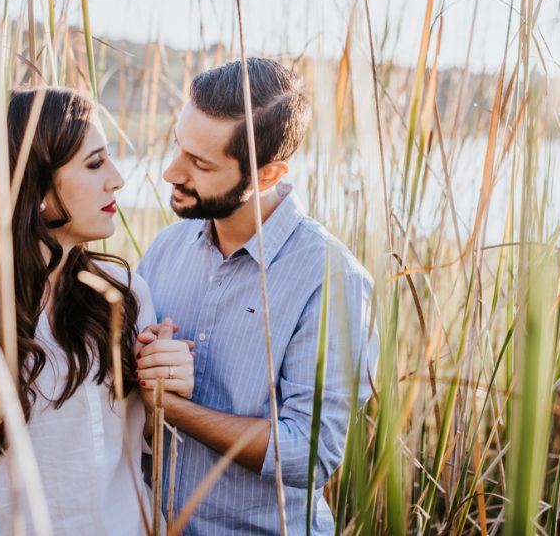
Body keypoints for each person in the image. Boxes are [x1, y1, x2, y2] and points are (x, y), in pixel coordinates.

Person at [0, 87, 194, 535]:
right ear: (32, 187)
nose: (117, 179)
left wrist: (168, 386)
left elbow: (147, 448)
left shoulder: (124, 296)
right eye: (94, 164)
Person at [136, 58, 379, 535]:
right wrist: (140, 359)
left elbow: (308, 455)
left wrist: (171, 407)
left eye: (200, 163)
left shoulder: (332, 278)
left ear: (267, 176)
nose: (171, 172)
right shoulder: (166, 249)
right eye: (178, 147)